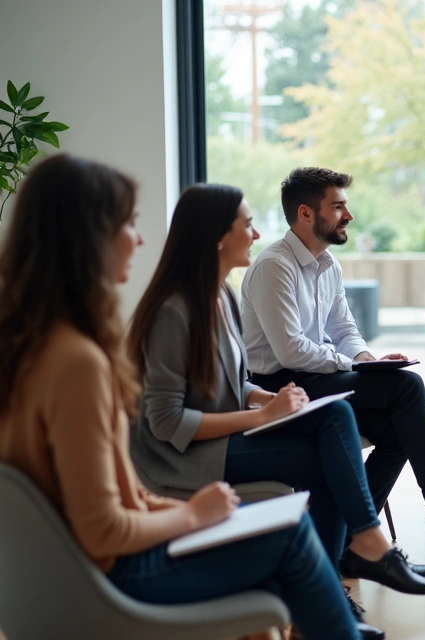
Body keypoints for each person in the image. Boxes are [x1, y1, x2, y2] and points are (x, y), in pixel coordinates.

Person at [0, 154, 361, 639]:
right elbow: (103, 530)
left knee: (281, 530)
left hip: (63, 575)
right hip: (109, 577)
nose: (141, 238)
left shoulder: (33, 344)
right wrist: (192, 514)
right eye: (129, 223)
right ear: (87, 238)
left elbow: (116, 499)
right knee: (291, 536)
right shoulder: (77, 363)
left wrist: (199, 513)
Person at [127, 185, 425, 638]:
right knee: (335, 444)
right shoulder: (175, 311)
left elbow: (234, 382)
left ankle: (339, 576)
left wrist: (263, 401)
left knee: (335, 423)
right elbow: (167, 423)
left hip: (221, 439)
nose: (255, 233)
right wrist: (259, 417)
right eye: (246, 224)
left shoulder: (222, 296)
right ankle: (361, 553)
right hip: (181, 458)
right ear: (217, 236)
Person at [241, 167, 425, 560]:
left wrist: (366, 361)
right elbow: (291, 352)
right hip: (278, 388)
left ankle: (350, 537)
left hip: (315, 378)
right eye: (338, 207)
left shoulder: (329, 265)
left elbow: (344, 330)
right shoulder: (274, 266)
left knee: (399, 428)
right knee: (407, 388)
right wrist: (350, 366)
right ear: (306, 214)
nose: (348, 215)